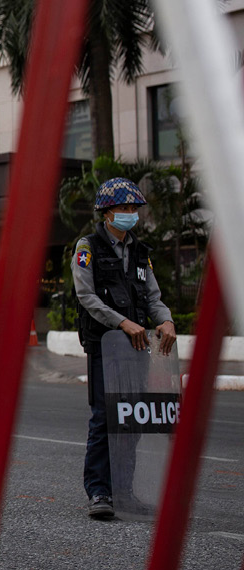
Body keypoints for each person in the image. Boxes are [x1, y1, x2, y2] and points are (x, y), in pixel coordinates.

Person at [73, 177, 176, 519]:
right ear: (106, 213)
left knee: (130, 419)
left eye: (134, 208)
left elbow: (153, 298)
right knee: (105, 417)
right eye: (123, 208)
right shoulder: (87, 248)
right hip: (106, 345)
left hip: (137, 346)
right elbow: (86, 296)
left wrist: (166, 320)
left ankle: (124, 491)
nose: (130, 214)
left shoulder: (140, 252)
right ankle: (99, 492)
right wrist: (122, 322)